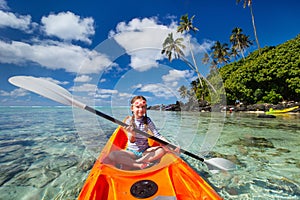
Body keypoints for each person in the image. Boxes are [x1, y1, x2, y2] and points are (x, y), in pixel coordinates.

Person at [109, 96, 174, 170]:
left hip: (145, 150)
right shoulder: (128, 121)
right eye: (137, 107)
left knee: (161, 150)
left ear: (146, 108)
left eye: (143, 107)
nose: (140, 109)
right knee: (112, 155)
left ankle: (136, 162)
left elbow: (157, 135)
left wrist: (169, 144)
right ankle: (138, 165)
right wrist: (132, 133)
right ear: (132, 108)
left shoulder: (148, 120)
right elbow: (132, 140)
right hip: (131, 151)